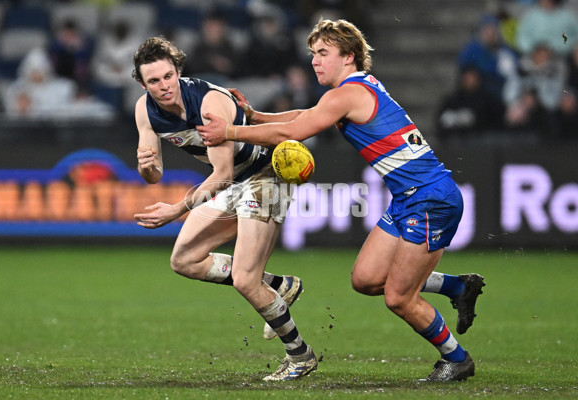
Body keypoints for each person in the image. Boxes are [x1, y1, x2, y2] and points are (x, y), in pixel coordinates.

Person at [198, 19, 486, 382]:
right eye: (313, 54)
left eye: (323, 53)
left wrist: (228, 131)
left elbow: (294, 131)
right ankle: (458, 287)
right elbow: (304, 117)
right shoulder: (351, 91)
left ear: (348, 57)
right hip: (408, 198)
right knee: (365, 279)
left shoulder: (346, 94)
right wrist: (256, 116)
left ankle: (456, 359)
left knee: (399, 297)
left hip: (430, 199)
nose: (315, 61)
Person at [130, 36, 317, 381]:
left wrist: (174, 211)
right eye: (153, 81)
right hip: (236, 184)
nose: (163, 86)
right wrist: (146, 166)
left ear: (178, 71)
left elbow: (222, 173)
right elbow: (153, 173)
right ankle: (281, 285)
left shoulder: (207, 103)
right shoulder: (145, 109)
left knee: (245, 279)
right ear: (142, 84)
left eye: (168, 76)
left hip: (266, 177)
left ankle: (300, 355)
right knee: (184, 260)